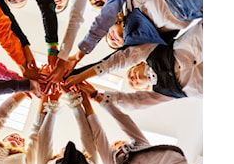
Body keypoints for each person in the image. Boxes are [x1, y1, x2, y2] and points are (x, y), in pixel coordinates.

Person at [76, 82, 203, 164]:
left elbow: (124, 121)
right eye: (115, 144)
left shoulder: (141, 144)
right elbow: (99, 136)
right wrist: (86, 103)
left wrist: (96, 96)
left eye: (119, 142)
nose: (116, 143)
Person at [66, 19, 203, 110]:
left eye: (130, 73)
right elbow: (133, 103)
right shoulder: (161, 93)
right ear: (146, 87)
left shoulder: (151, 50)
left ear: (140, 63)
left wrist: (80, 76)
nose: (132, 79)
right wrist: (95, 95)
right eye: (134, 84)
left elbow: (117, 61)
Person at [26, 88, 121, 164]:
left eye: (65, 150)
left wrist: (57, 105)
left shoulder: (88, 161)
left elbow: (44, 140)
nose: (67, 149)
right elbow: (46, 139)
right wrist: (74, 105)